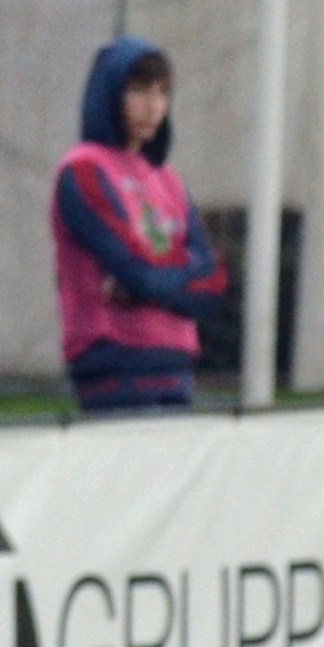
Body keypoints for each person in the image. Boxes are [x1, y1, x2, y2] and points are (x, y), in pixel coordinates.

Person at [50, 37, 229, 413]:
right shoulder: (84, 170)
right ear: (109, 93)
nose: (153, 106)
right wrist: (176, 276)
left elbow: (214, 282)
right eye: (139, 91)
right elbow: (138, 272)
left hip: (177, 369)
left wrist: (145, 286)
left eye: (162, 92)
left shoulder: (167, 179)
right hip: (114, 368)